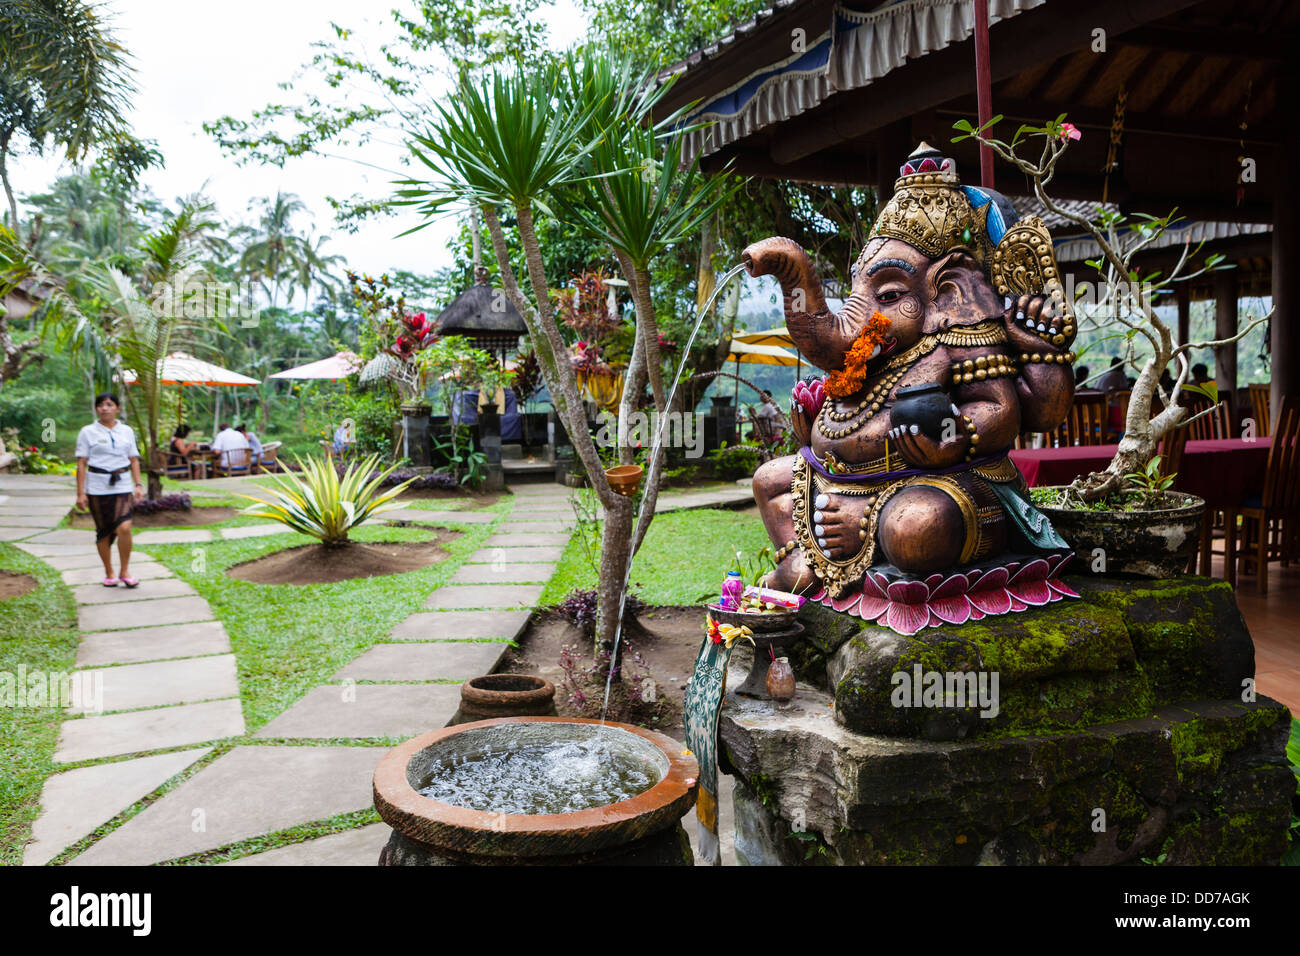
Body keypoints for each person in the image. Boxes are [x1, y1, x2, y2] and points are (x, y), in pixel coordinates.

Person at [75, 393, 143, 587]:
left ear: (117, 408)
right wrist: (80, 493)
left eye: (109, 404)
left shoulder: (127, 431)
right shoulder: (87, 432)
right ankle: (109, 572)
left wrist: (138, 485)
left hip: (122, 484)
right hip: (96, 486)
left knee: (125, 527)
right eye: (100, 405)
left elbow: (134, 460)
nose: (104, 408)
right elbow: (81, 463)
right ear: (96, 409)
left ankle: (125, 570)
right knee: (103, 531)